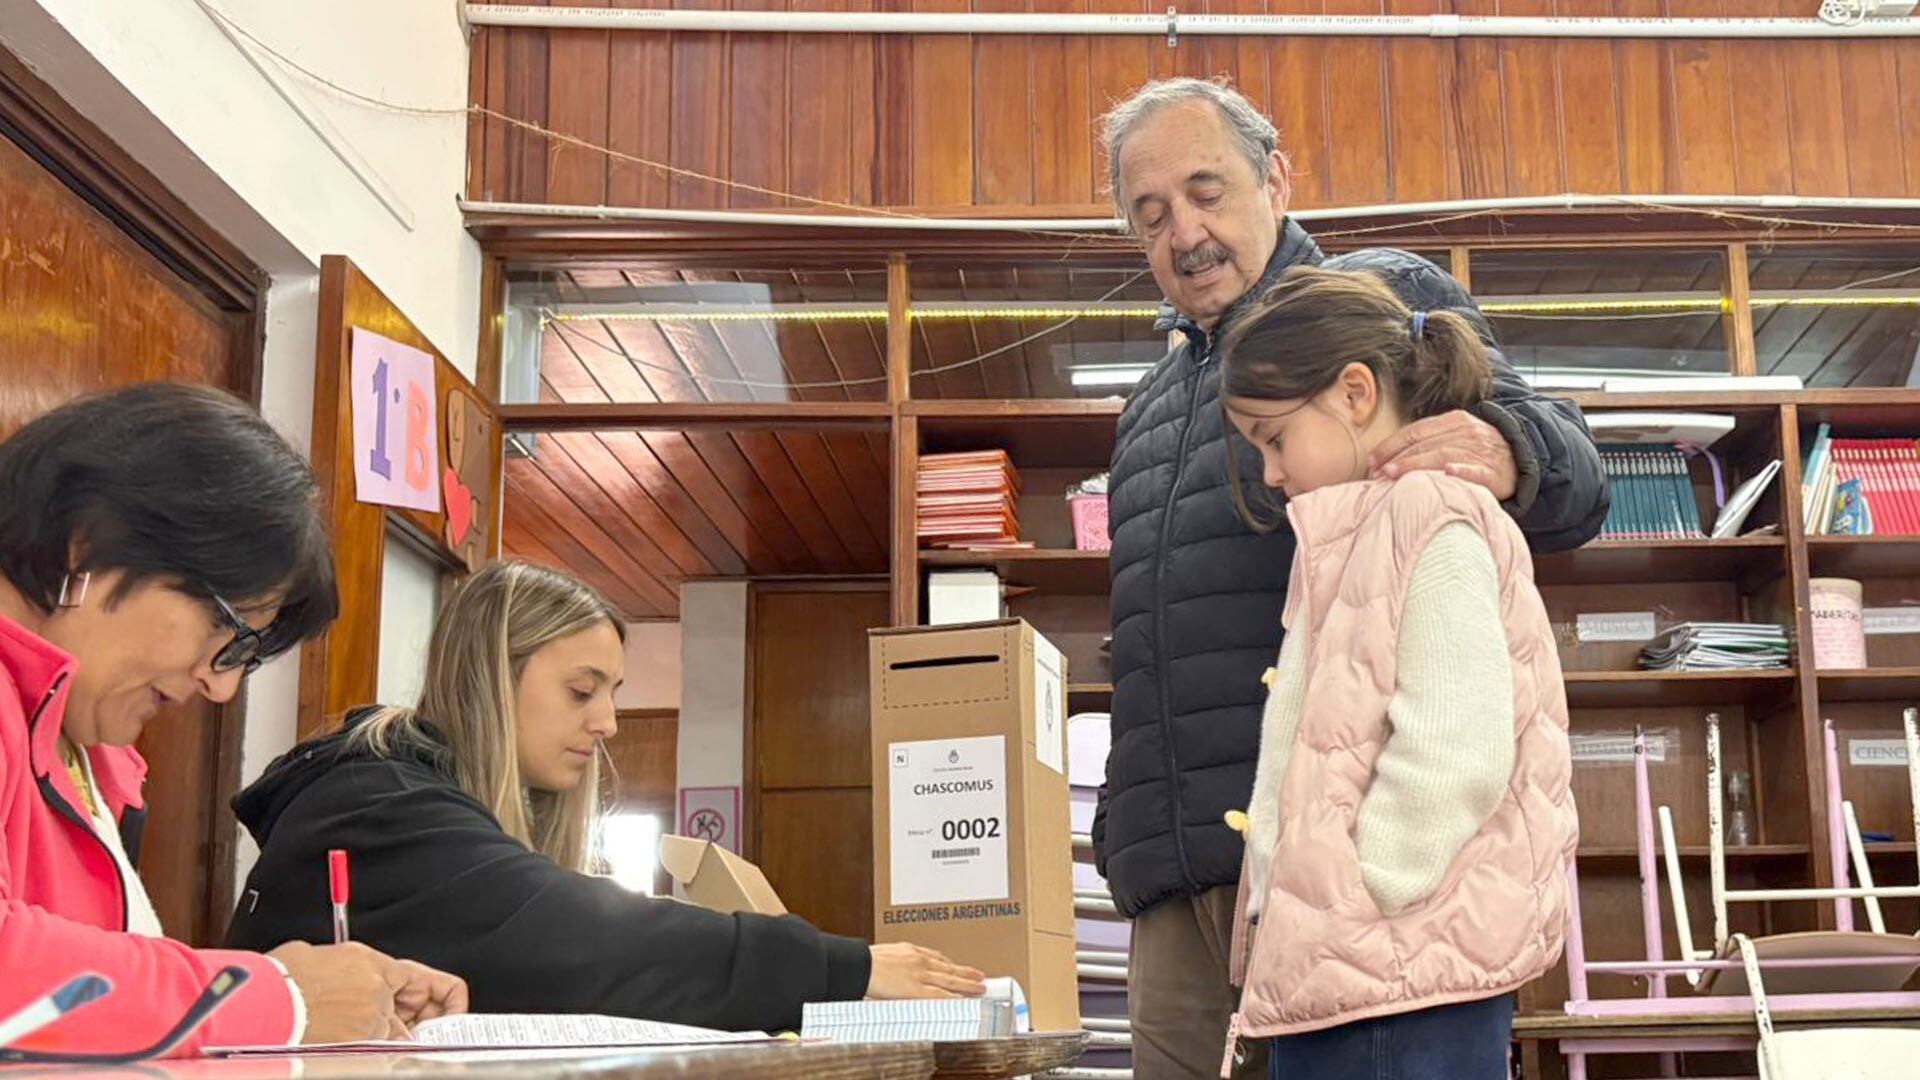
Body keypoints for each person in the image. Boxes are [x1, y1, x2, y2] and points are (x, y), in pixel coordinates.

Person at [1092, 77, 1606, 1079]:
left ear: (1276, 177)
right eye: (1150, 215)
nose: (1183, 233)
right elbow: (1147, 639)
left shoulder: (1377, 301)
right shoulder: (1145, 408)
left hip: (1332, 872)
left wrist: (1505, 446)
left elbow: (1575, 479)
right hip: (1177, 881)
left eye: (1207, 191)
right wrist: (1125, 837)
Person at [227, 560, 987, 1033]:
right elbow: (586, 936)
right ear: (492, 679)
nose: (609, 722)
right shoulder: (380, 806)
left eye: (611, 692)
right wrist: (838, 970)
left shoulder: (410, 797)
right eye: (581, 690)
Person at [0, 383, 468, 1059]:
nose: (218, 685)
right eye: (227, 629)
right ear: (88, 543)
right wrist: (278, 996)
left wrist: (318, 991)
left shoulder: (84, 747)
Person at [1217, 266, 1576, 1079]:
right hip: (1357, 964)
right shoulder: (1355, 535)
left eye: (1275, 438)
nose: (1271, 473)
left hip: (1393, 967)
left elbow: (1458, 745)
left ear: (1353, 393)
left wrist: (1363, 886)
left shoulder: (1429, 513)